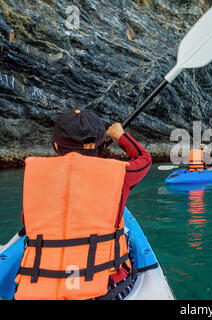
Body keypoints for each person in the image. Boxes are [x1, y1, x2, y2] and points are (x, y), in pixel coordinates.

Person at [14, 109, 151, 300]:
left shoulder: (37, 177)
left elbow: (27, 220)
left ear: (55, 145)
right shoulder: (120, 175)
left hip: (40, 292)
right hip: (106, 291)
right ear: (102, 144)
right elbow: (144, 159)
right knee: (126, 238)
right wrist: (121, 136)